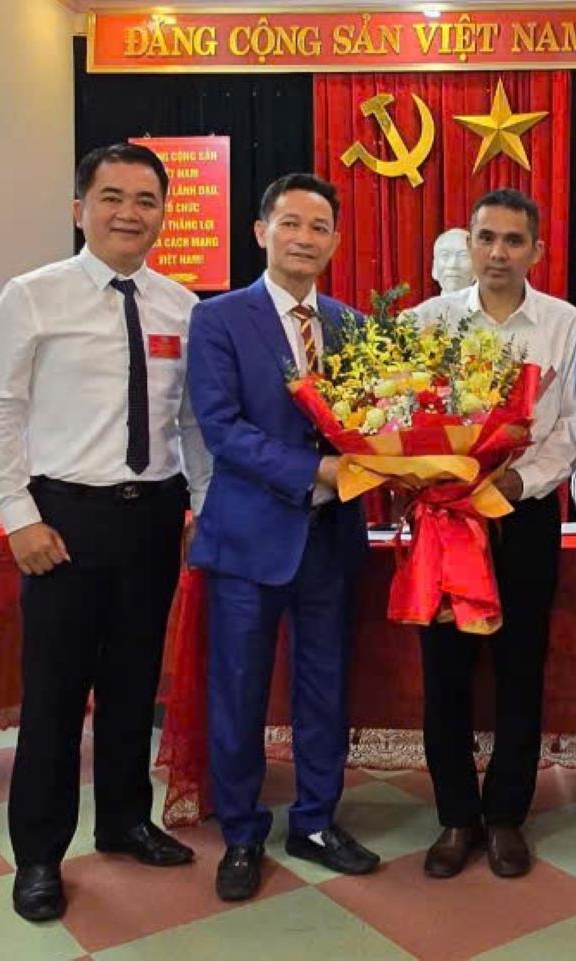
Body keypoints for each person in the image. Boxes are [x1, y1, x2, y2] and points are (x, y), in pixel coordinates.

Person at [0, 142, 211, 922]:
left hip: (152, 516)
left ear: (163, 215)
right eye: (111, 197)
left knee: (134, 682)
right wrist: (19, 518)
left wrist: (199, 509)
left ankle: (123, 819)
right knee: (53, 692)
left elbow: (191, 424)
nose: (128, 213)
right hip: (62, 518)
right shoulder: (33, 295)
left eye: (145, 200)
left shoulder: (182, 306)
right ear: (80, 207)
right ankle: (39, 854)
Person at [187, 173, 377, 902]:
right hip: (247, 538)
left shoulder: (354, 324)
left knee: (326, 688)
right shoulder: (220, 319)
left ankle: (317, 820)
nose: (305, 237)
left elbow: (376, 421)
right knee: (239, 690)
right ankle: (241, 831)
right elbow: (223, 430)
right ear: (261, 231)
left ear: (334, 240)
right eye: (290, 222)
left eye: (320, 225)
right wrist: (318, 470)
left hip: (331, 540)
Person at [409, 188, 576, 879]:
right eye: (487, 238)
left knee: (520, 668)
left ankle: (507, 813)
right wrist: (441, 477)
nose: (499, 252)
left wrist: (515, 482)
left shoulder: (566, 326)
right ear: (469, 241)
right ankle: (456, 814)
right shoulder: (428, 323)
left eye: (515, 240)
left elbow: (573, 426)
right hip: (446, 518)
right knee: (444, 671)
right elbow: (399, 410)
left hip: (525, 513)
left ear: (537, 251)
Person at [431, 226, 475, 293]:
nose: (453, 265)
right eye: (445, 255)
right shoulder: (428, 304)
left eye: (463, 256)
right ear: (434, 268)